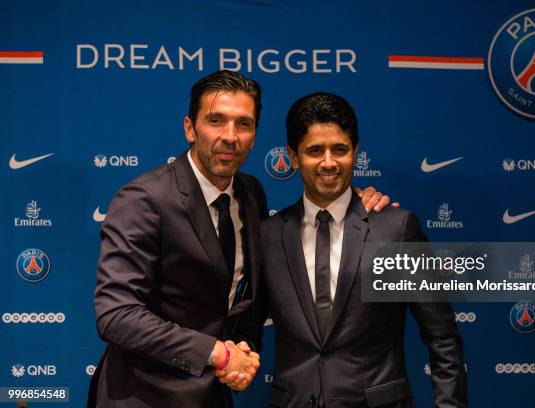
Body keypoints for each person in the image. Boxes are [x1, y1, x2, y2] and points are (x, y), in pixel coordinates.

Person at [89, 71, 391, 407]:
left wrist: (354, 207)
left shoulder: (250, 193)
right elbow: (116, 314)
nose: (230, 136)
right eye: (216, 120)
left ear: (254, 135)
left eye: (243, 124)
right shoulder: (145, 199)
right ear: (190, 128)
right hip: (144, 396)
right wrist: (216, 353)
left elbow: (245, 295)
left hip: (213, 394)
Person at [219, 92, 468, 407]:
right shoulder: (268, 236)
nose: (328, 163)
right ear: (293, 157)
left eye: (340, 150)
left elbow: (442, 337)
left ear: (355, 152)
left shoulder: (396, 229)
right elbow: (249, 327)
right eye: (314, 151)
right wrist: (236, 356)